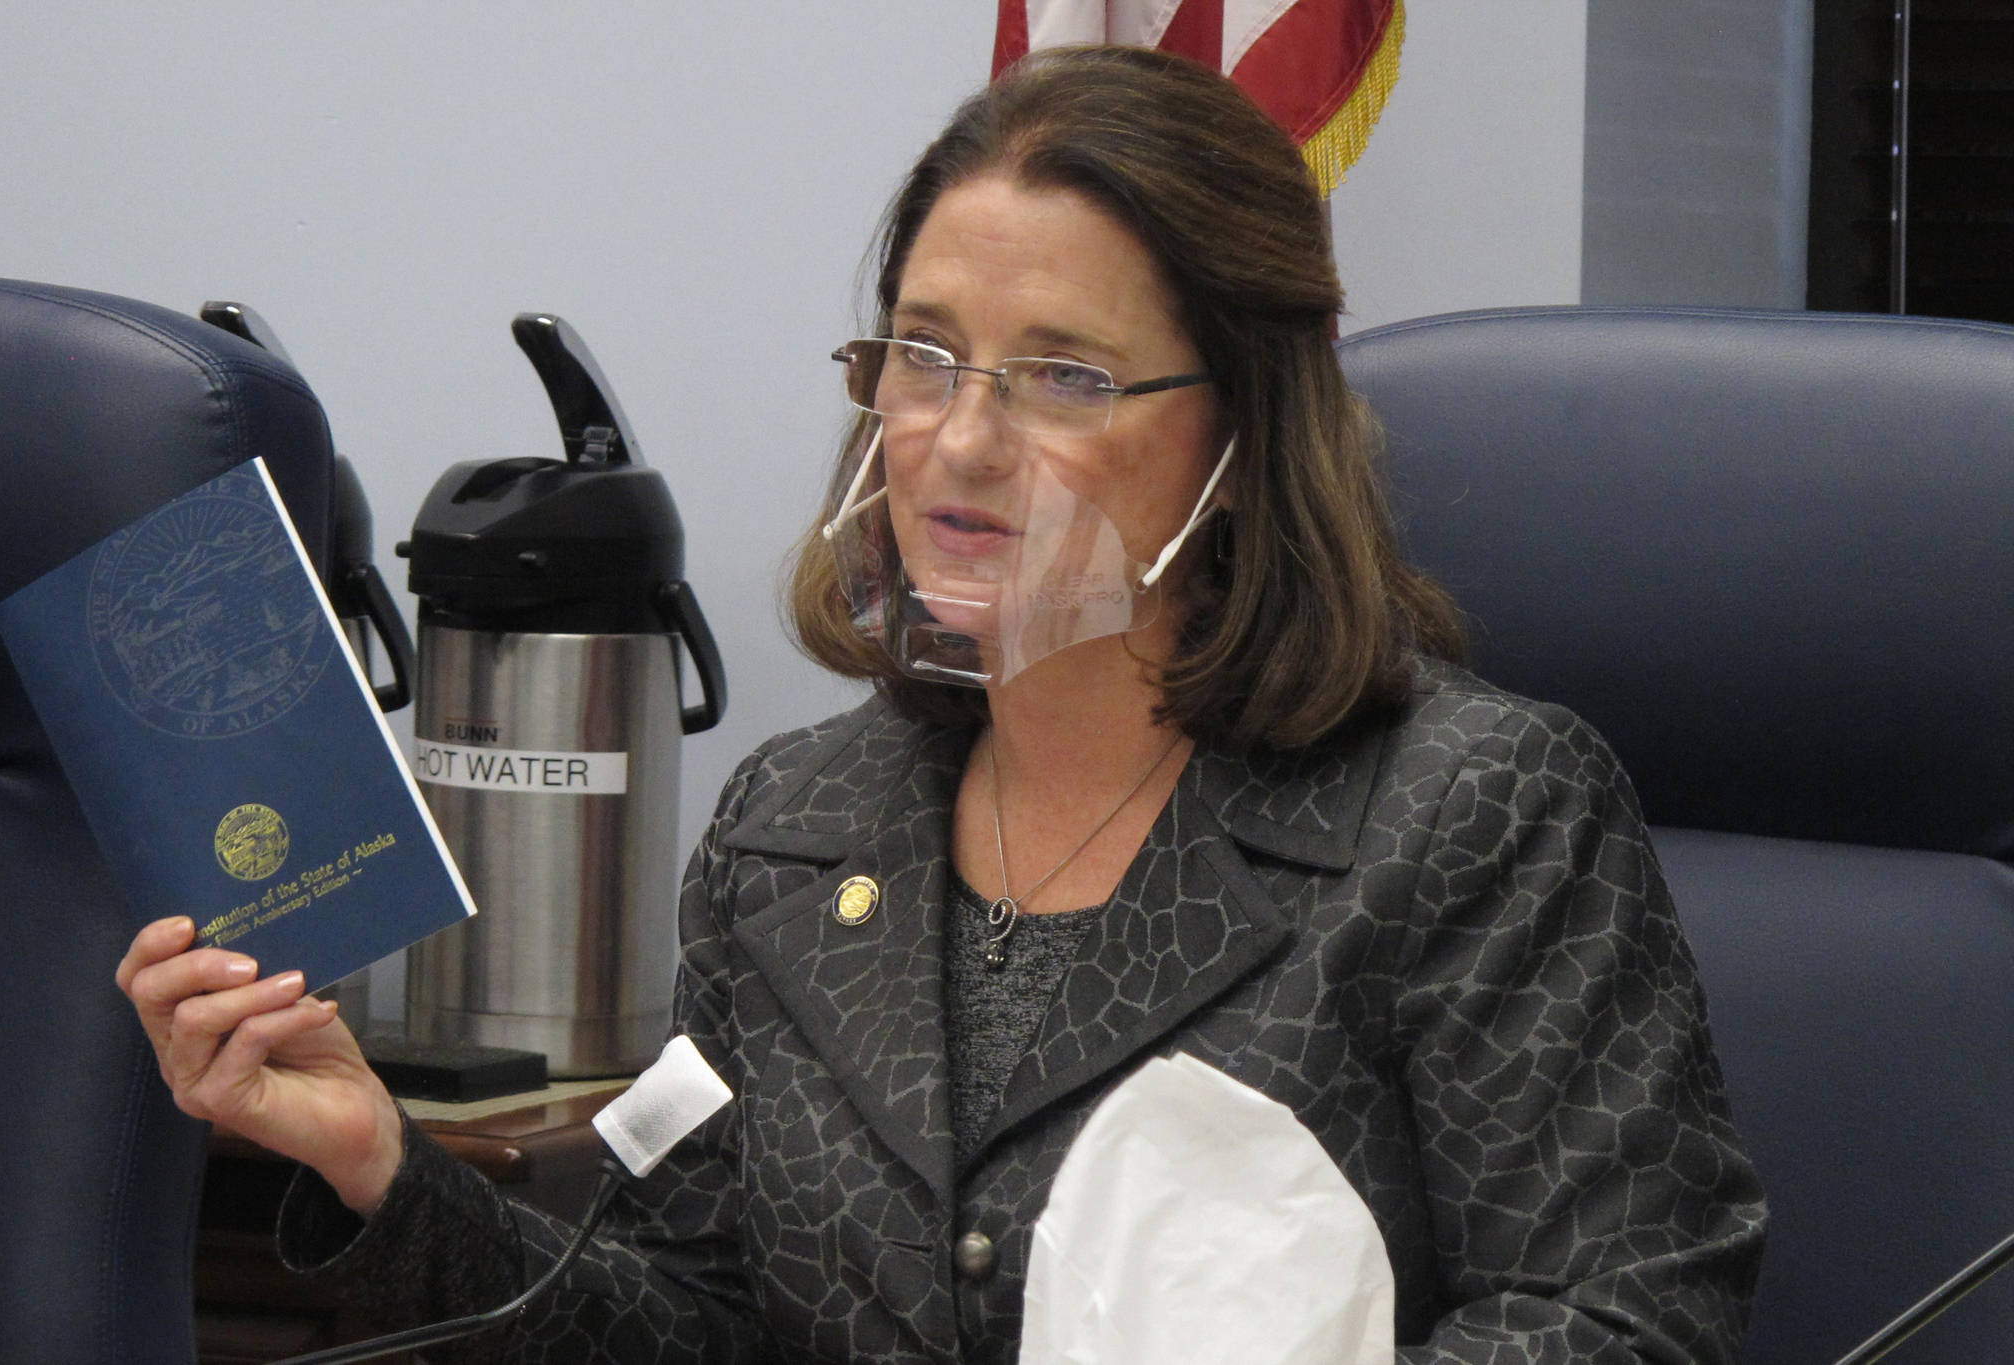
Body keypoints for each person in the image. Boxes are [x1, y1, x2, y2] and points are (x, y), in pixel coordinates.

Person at [118, 44, 1765, 1364]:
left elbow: (1628, 1323)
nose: (964, 444)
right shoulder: (794, 829)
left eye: (1066, 376)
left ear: (1247, 423)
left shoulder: (1474, 814)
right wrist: (376, 1158)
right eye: (923, 355)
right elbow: (690, 1325)